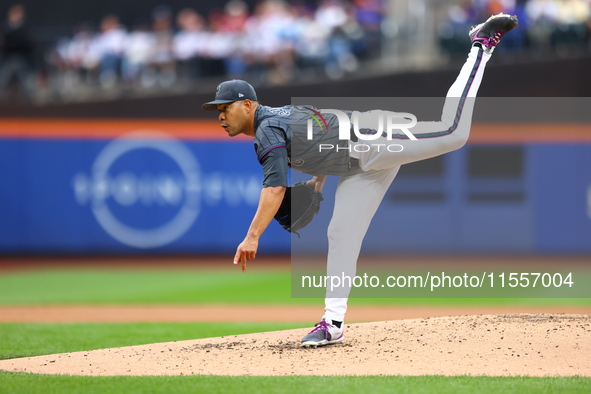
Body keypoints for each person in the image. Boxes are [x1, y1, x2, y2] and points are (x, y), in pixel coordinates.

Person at [202, 13, 518, 347]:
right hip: (358, 163)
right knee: (340, 232)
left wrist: (252, 236)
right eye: (218, 110)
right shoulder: (278, 119)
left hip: (371, 137)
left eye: (226, 107)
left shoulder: (267, 128)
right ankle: (332, 322)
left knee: (453, 132)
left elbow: (275, 188)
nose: (221, 115)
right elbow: (323, 128)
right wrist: (318, 182)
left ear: (248, 105)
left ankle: (480, 46)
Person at [0, 4, 33, 102]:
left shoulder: (25, 28)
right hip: (8, 58)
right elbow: (3, 44)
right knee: (3, 78)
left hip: (21, 58)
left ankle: (30, 99)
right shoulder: (6, 28)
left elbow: (27, 44)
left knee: (26, 80)